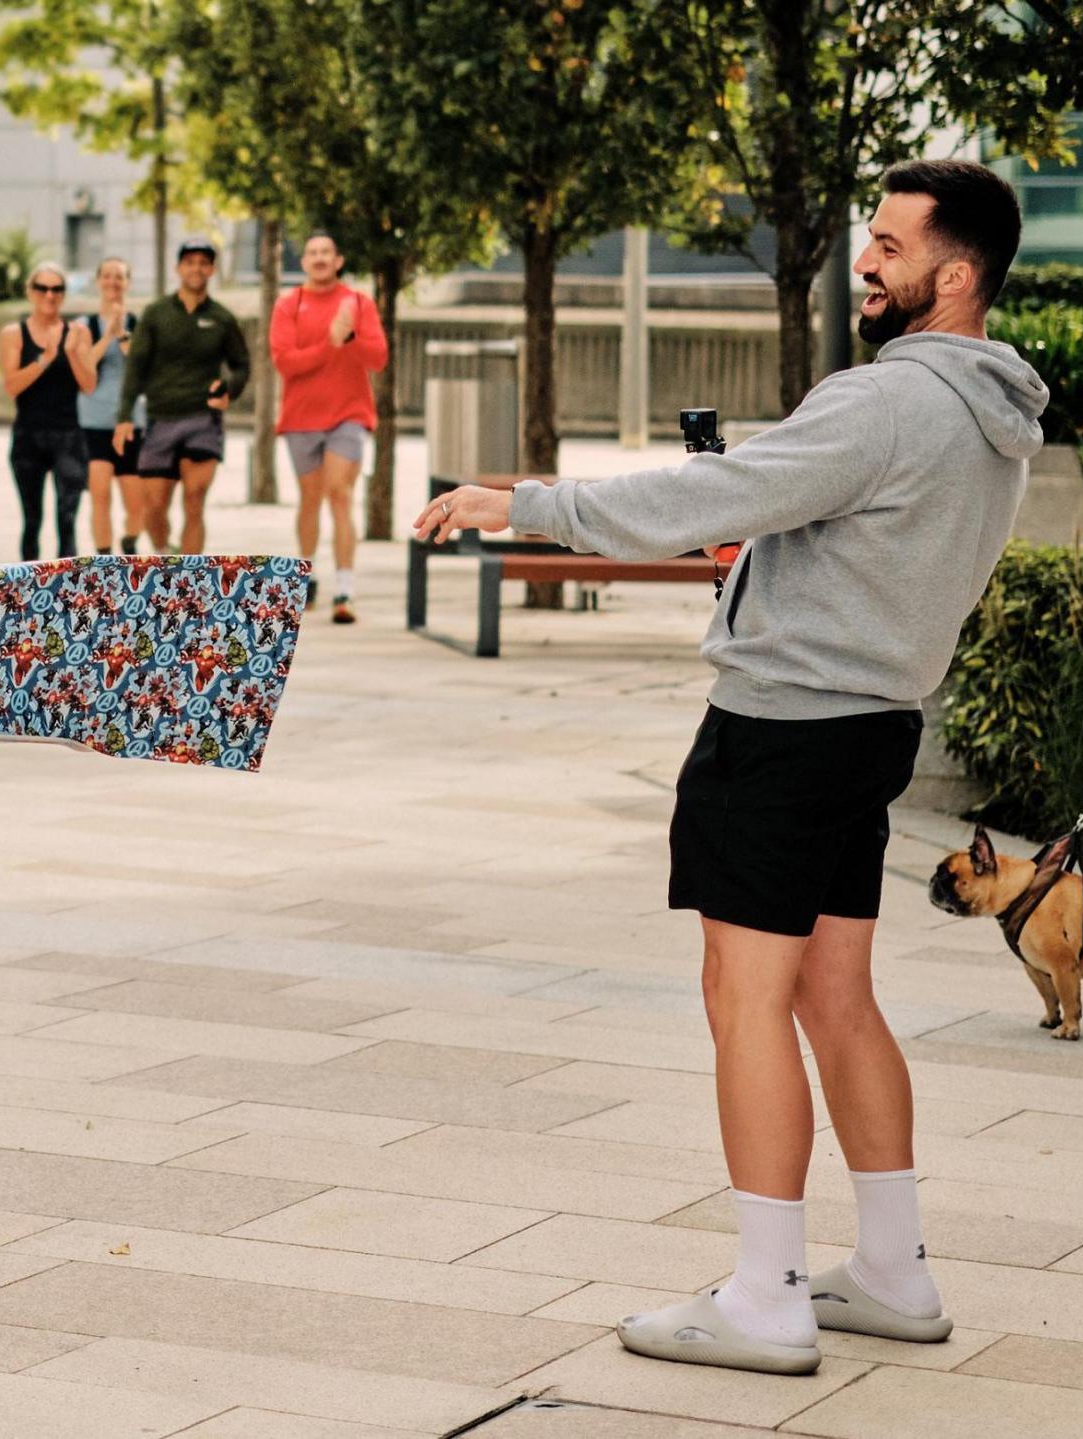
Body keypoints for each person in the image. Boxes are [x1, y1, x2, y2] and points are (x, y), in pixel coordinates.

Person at [418, 159, 1044, 1377]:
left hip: (779, 730)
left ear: (952, 275)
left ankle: (764, 1295)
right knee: (835, 994)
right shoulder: (991, 412)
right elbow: (831, 531)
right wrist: (766, 560)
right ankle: (892, 1267)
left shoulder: (885, 399)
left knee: (743, 993)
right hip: (869, 726)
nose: (865, 259)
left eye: (887, 243)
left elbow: (705, 491)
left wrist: (518, 500)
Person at [271, 231, 386, 622]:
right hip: (301, 417)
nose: (320, 259)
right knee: (310, 499)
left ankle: (345, 590)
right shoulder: (290, 304)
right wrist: (330, 344)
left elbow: (378, 358)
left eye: (327, 253)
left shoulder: (358, 303)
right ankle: (306, 576)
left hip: (348, 416)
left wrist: (350, 337)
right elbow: (285, 361)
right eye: (312, 253)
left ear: (338, 261)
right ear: (303, 262)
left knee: (340, 493)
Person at [115, 237, 248, 555]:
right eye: (190, 262)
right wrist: (123, 417)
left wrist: (229, 390)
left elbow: (241, 366)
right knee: (155, 506)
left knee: (194, 500)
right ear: (179, 268)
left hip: (203, 419)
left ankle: (192, 585)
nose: (196, 269)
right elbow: (136, 367)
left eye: (203, 263)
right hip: (161, 418)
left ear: (212, 269)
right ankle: (163, 551)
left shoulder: (222, 318)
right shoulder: (156, 313)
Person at [0, 262, 86, 561]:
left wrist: (71, 352)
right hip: (29, 436)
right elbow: (12, 385)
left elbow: (88, 384)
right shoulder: (14, 333)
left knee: (67, 521)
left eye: (57, 289)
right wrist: (45, 358)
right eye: (43, 288)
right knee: (32, 520)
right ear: (30, 292)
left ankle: (68, 593)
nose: (50, 295)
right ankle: (30, 595)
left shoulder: (78, 332)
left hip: (69, 436)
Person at [66, 256, 148, 554]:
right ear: (99, 281)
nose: (113, 282)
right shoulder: (84, 325)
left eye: (120, 276)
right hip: (94, 421)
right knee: (100, 496)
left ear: (127, 283)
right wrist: (107, 334)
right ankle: (104, 558)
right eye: (108, 276)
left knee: (136, 501)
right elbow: (85, 363)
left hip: (131, 422)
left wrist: (122, 332)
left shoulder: (139, 323)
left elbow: (140, 363)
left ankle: (130, 541)